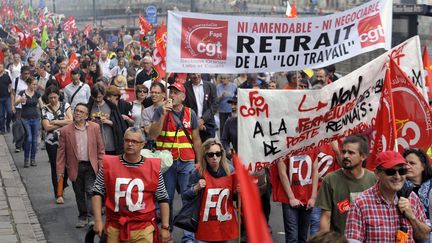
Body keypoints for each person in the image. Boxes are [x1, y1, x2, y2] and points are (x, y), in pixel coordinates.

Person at [92, 127, 171, 242]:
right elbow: (97, 192)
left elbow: (163, 198)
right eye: (127, 140)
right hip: (115, 225)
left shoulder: (153, 167)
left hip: (143, 227)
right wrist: (98, 221)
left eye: (134, 141)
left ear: (142, 144)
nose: (130, 144)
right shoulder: (108, 164)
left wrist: (165, 227)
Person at [148, 82, 202, 243]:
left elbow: (197, 139)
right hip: (167, 163)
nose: (172, 94)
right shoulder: (160, 110)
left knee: (189, 197)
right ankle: (167, 232)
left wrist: (199, 162)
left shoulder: (190, 113)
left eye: (176, 92)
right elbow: (152, 135)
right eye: (171, 91)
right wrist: (163, 114)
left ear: (183, 96)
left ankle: (189, 237)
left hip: (187, 161)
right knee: (167, 198)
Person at [345, 151, 431, 242]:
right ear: (377, 173)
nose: (397, 177)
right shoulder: (361, 203)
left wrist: (412, 217)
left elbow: (424, 236)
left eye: (402, 171)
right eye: (390, 172)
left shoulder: (412, 197)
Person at [56, 103, 105, 228]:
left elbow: (100, 148)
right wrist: (60, 171)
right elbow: (61, 153)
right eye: (76, 111)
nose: (77, 113)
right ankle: (82, 216)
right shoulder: (65, 131)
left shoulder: (94, 127)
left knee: (90, 191)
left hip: (90, 165)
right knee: (79, 193)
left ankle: (91, 217)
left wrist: (102, 165)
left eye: (81, 112)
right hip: (74, 166)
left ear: (86, 115)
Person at [316, 135, 376, 234]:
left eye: (351, 153)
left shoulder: (373, 179)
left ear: (363, 156)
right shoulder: (330, 180)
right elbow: (325, 217)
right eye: (343, 152)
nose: (345, 156)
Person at [183, 138, 238, 242]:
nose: (215, 157)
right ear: (205, 156)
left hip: (223, 225)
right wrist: (196, 188)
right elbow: (185, 195)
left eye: (218, 153)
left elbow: (234, 199)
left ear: (222, 154)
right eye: (210, 154)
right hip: (204, 226)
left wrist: (238, 191)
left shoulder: (230, 171)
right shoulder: (198, 172)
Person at [276, 153, 318, 243]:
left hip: (307, 197)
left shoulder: (312, 145)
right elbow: (282, 172)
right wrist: (291, 197)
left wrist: (313, 197)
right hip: (289, 198)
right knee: (292, 236)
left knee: (303, 236)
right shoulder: (284, 147)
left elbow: (315, 171)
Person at [41, 85, 73, 203]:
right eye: (50, 98)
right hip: (51, 142)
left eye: (55, 97)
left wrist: (55, 121)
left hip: (66, 140)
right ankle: (58, 193)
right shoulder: (44, 109)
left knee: (67, 166)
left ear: (58, 96)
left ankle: (63, 184)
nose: (53, 100)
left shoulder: (65, 105)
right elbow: (46, 127)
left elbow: (71, 121)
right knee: (55, 167)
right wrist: (63, 123)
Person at [88, 83, 127, 155]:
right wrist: (91, 122)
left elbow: (121, 126)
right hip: (94, 144)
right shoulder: (89, 106)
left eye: (99, 97)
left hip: (110, 144)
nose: (97, 99)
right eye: (95, 97)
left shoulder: (111, 106)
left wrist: (109, 122)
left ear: (103, 94)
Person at [16, 77, 42, 167]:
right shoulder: (22, 93)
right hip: (25, 119)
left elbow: (41, 105)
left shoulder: (37, 94)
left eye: (36, 84)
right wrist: (20, 100)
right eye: (33, 84)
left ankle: (33, 159)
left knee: (35, 141)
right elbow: (15, 103)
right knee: (29, 139)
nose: (35, 86)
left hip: (35, 118)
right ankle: (26, 159)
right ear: (29, 84)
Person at [184, 73, 218, 142]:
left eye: (197, 73)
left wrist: (203, 120)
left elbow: (215, 104)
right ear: (189, 75)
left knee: (209, 150)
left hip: (208, 125)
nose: (196, 76)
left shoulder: (211, 86)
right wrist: (196, 123)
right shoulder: (184, 87)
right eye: (193, 74)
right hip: (191, 125)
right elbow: (184, 106)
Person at [403, 148, 432, 219]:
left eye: (412, 163)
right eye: (405, 163)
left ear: (423, 166)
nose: (407, 166)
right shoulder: (399, 186)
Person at [0, 63, 12, 134]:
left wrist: (9, 89)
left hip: (7, 97)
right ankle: (2, 129)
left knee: (9, 112)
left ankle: (7, 124)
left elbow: (10, 84)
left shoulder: (6, 76)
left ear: (3, 69)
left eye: (0, 67)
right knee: (1, 115)